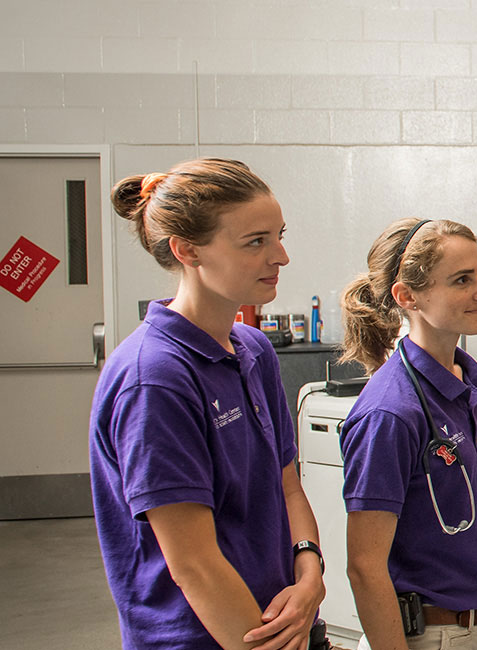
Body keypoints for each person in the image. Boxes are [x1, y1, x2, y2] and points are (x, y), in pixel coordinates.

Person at [91, 159, 325, 649]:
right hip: (205, 637)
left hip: (282, 620)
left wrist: (309, 572)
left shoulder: (251, 349)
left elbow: (287, 486)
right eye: (255, 242)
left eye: (279, 235)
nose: (280, 256)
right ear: (187, 251)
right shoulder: (154, 379)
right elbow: (193, 564)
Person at [339, 218, 477, 650]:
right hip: (431, 637)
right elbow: (364, 566)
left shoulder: (463, 387)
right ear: (407, 296)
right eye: (461, 280)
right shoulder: (390, 413)